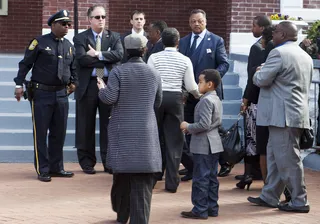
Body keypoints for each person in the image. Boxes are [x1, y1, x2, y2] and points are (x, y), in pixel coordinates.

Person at [248, 21, 312, 213]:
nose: (271, 34)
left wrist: (258, 71)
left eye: (275, 31)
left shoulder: (278, 53)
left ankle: (300, 201)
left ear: (283, 35)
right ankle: (270, 196)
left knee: (288, 160)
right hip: (291, 113)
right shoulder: (304, 55)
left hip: (282, 116)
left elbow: (261, 80)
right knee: (276, 158)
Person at [97, 34, 162, 224]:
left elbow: (109, 99)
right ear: (144, 50)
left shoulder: (118, 71)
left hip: (122, 131)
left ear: (126, 51)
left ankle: (122, 215)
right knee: (142, 180)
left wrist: (101, 87)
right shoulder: (153, 72)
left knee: (122, 176)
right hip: (146, 132)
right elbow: (157, 102)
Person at [13, 10, 77, 182]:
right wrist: (19, 84)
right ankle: (43, 169)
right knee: (41, 133)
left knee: (59, 133)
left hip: (61, 94)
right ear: (53, 24)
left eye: (68, 24)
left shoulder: (69, 45)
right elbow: (25, 64)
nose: (67, 27)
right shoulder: (39, 42)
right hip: (42, 93)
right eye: (63, 24)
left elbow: (74, 68)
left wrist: (74, 83)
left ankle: (57, 167)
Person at [178, 9, 230, 181]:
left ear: (205, 21)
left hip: (208, 94)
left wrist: (211, 82)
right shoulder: (184, 42)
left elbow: (224, 63)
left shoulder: (216, 41)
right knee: (190, 128)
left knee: (210, 129)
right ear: (189, 23)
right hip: (189, 94)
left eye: (200, 21)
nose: (196, 24)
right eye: (193, 21)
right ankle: (193, 166)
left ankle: (224, 161)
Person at [147, 27, 200, 193]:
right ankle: (171, 183)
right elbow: (191, 86)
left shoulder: (154, 57)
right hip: (176, 99)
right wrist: (200, 95)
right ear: (178, 42)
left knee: (155, 138)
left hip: (157, 98)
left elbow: (149, 81)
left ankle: (153, 178)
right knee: (175, 142)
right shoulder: (184, 60)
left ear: (162, 41)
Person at [73, 5, 124, 174]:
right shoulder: (80, 38)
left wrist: (97, 54)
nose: (101, 19)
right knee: (85, 125)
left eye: (103, 16)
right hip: (89, 86)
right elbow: (81, 59)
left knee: (108, 124)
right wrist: (105, 58)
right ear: (89, 19)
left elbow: (119, 55)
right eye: (97, 17)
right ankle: (87, 162)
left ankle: (108, 162)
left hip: (108, 85)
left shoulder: (114, 36)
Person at [180, 69, 223, 219]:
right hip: (214, 143)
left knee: (200, 178)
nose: (198, 84)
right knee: (211, 177)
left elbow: (204, 124)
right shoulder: (215, 99)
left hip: (204, 145)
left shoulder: (205, 100)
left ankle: (200, 209)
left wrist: (188, 126)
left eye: (200, 82)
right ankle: (212, 207)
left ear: (210, 84)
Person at [237, 15, 271, 190]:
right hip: (269, 101)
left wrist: (245, 99)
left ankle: (248, 174)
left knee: (252, 138)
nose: (251, 29)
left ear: (262, 28)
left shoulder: (257, 47)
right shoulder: (275, 47)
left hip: (256, 100)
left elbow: (252, 78)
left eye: (253, 25)